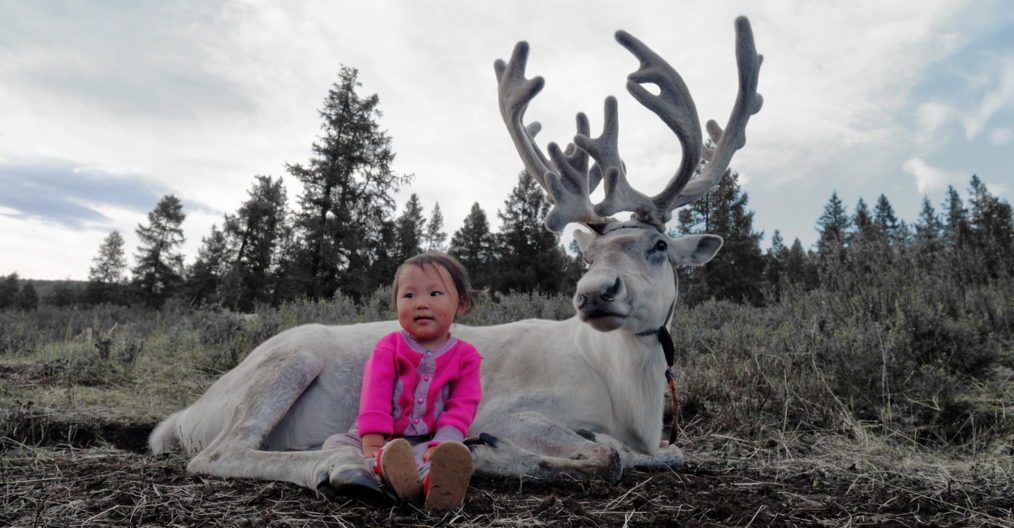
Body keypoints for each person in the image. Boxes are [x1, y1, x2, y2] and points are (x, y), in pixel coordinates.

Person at [323, 253, 482, 511]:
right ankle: (379, 469)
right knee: (336, 444)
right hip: (377, 437)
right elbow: (375, 394)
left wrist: (442, 443)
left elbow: (462, 407)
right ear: (396, 306)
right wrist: (373, 440)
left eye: (434, 294)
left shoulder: (466, 357)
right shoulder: (389, 347)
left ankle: (432, 486)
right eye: (409, 296)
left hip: (425, 441)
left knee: (439, 459)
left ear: (461, 304)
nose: (420, 303)